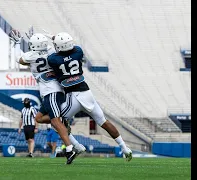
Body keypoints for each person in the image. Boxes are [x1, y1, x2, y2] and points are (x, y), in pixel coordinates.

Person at [46, 32, 133, 162]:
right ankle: (125, 148)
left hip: (73, 96)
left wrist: (53, 43)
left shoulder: (54, 59)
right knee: (104, 122)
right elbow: (72, 50)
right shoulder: (78, 52)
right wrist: (58, 41)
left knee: (56, 121)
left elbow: (53, 55)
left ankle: (76, 145)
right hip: (87, 93)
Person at [11, 30, 84, 164]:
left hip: (50, 91)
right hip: (55, 89)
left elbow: (19, 59)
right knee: (38, 118)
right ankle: (71, 138)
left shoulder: (32, 55)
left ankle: (70, 149)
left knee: (56, 122)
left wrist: (16, 43)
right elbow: (56, 47)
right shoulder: (51, 50)